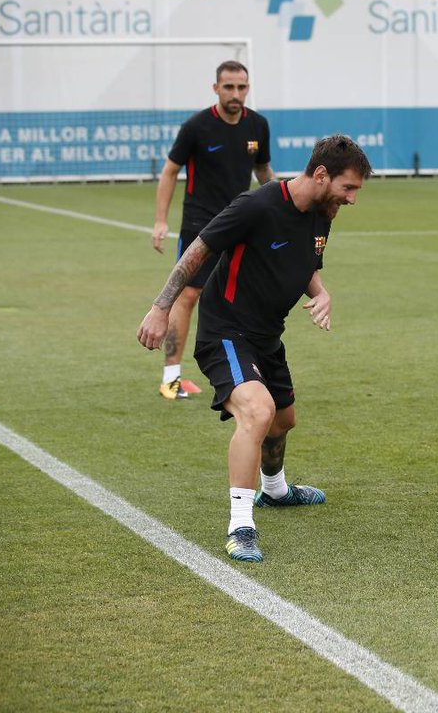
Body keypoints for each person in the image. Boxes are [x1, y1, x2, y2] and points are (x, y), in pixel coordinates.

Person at [137, 135, 371, 562]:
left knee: (283, 420)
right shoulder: (257, 206)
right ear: (321, 174)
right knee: (258, 412)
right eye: (348, 187)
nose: (352, 198)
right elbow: (197, 252)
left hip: (267, 336)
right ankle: (240, 526)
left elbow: (306, 264)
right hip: (225, 332)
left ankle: (276, 491)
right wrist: (160, 308)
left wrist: (321, 293)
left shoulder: (324, 212)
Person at [150, 60, 276, 401]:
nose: (235, 93)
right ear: (216, 88)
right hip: (200, 223)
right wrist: (161, 220)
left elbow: (262, 169)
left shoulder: (258, 125)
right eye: (228, 87)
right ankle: (171, 379)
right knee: (188, 295)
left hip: (241, 223)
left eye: (241, 87)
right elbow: (169, 171)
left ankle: (246, 370)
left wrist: (282, 201)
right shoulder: (197, 127)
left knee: (240, 298)